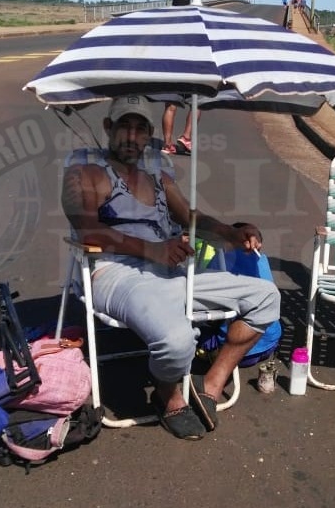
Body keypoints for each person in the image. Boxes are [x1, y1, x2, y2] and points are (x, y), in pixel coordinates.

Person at [61, 96, 280, 440]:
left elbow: (188, 217)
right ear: (108, 128)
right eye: (124, 126)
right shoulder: (86, 170)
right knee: (178, 341)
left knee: (266, 297)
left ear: (150, 134)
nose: (131, 137)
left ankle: (210, 384)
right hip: (116, 272)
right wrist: (151, 249)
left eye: (140, 129)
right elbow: (87, 229)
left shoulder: (156, 171)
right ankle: (168, 393)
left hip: (170, 268)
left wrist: (230, 232)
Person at [161, 0, 199, 155]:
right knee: (198, 103)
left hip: (170, 68)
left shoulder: (166, 20)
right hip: (189, 69)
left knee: (170, 107)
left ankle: (167, 143)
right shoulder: (192, 20)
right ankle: (186, 137)